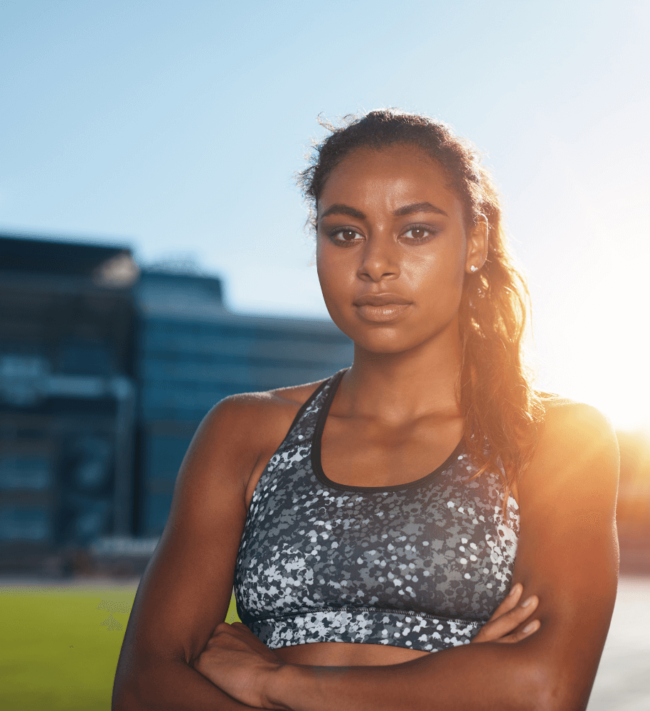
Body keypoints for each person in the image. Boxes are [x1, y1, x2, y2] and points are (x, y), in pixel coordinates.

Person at [111, 109, 620, 711]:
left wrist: (278, 683)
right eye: (345, 234)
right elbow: (143, 689)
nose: (376, 264)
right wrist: (458, 682)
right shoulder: (244, 431)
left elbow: (544, 689)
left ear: (476, 242)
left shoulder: (554, 437)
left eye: (416, 231)